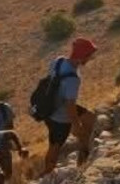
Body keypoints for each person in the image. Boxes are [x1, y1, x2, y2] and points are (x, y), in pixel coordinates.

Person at [42, 38, 97, 177]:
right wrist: (76, 125)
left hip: (49, 107)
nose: (91, 58)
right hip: (60, 116)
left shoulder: (58, 61)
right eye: (89, 55)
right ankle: (46, 175)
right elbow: (70, 106)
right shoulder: (73, 79)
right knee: (55, 146)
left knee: (91, 120)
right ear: (82, 55)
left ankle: (83, 155)